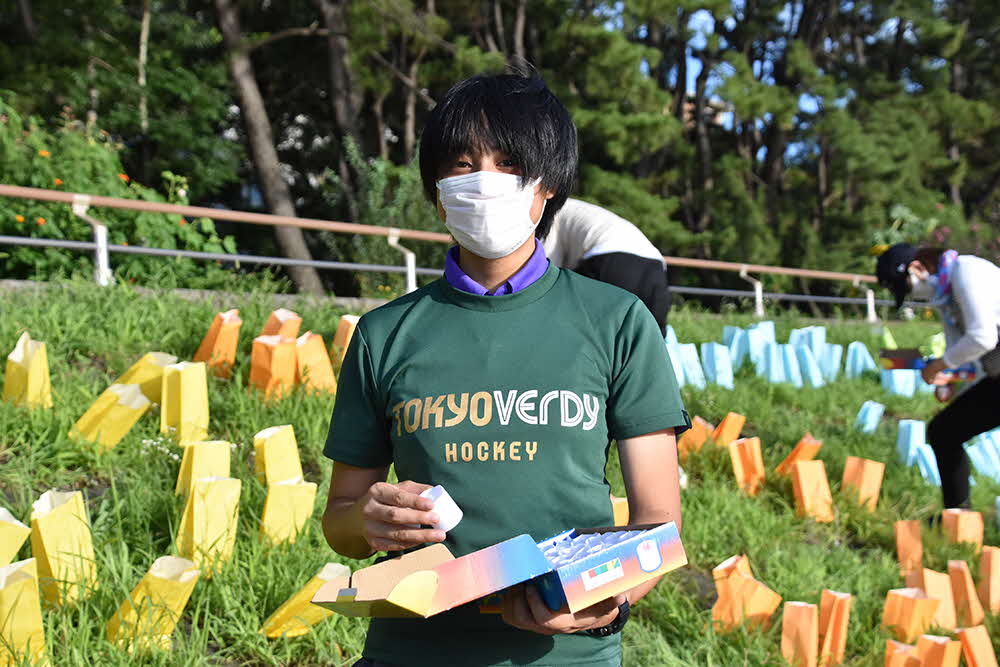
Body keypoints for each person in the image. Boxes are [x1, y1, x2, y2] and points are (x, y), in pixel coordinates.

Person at [321, 72, 689, 667]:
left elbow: (658, 523)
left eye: (509, 164)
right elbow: (340, 517)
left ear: (548, 189)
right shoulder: (383, 334)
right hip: (411, 649)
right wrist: (370, 522)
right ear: (438, 191)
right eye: (462, 164)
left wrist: (607, 604)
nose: (483, 181)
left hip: (565, 655)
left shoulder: (618, 320)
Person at [876, 243, 1000, 509]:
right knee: (945, 431)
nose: (912, 295)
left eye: (906, 287)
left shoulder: (967, 272)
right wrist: (953, 381)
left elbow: (983, 337)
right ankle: (958, 521)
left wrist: (938, 366)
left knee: (945, 432)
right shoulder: (946, 298)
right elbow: (968, 356)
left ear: (917, 267)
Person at [543, 199, 672, 336]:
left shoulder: (552, 211)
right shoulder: (585, 210)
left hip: (610, 257)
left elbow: (550, 267)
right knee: (653, 335)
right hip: (654, 263)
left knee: (584, 330)